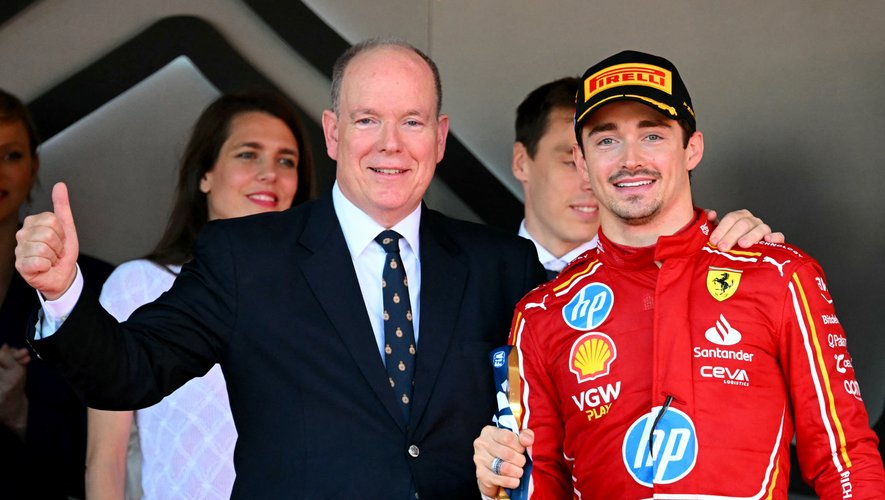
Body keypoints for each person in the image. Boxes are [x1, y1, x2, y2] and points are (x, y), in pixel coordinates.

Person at [15, 38, 548, 498]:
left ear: (440, 136)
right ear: (334, 133)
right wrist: (62, 292)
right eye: (368, 120)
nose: (391, 143)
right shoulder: (244, 257)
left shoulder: (503, 265)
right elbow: (128, 373)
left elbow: (568, 420)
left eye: (412, 121)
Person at [476, 50, 885, 498]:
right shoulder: (540, 315)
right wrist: (500, 481)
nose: (631, 160)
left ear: (692, 148)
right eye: (606, 140)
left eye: (652, 135)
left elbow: (843, 459)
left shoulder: (780, 276)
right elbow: (540, 485)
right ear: (582, 160)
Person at [85, 90, 314, 499]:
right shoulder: (138, 285)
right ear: (204, 174)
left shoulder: (324, 296)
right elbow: (106, 458)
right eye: (248, 154)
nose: (270, 173)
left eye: (286, 160)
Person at [512, 76, 782, 281]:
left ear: (692, 150)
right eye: (571, 162)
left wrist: (743, 248)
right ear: (521, 162)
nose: (591, 181)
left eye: (652, 137)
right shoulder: (475, 267)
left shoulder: (722, 254)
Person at [0, 89, 113, 499]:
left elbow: (108, 447)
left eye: (11, 155)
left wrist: (19, 412)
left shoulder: (96, 286)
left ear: (33, 166)